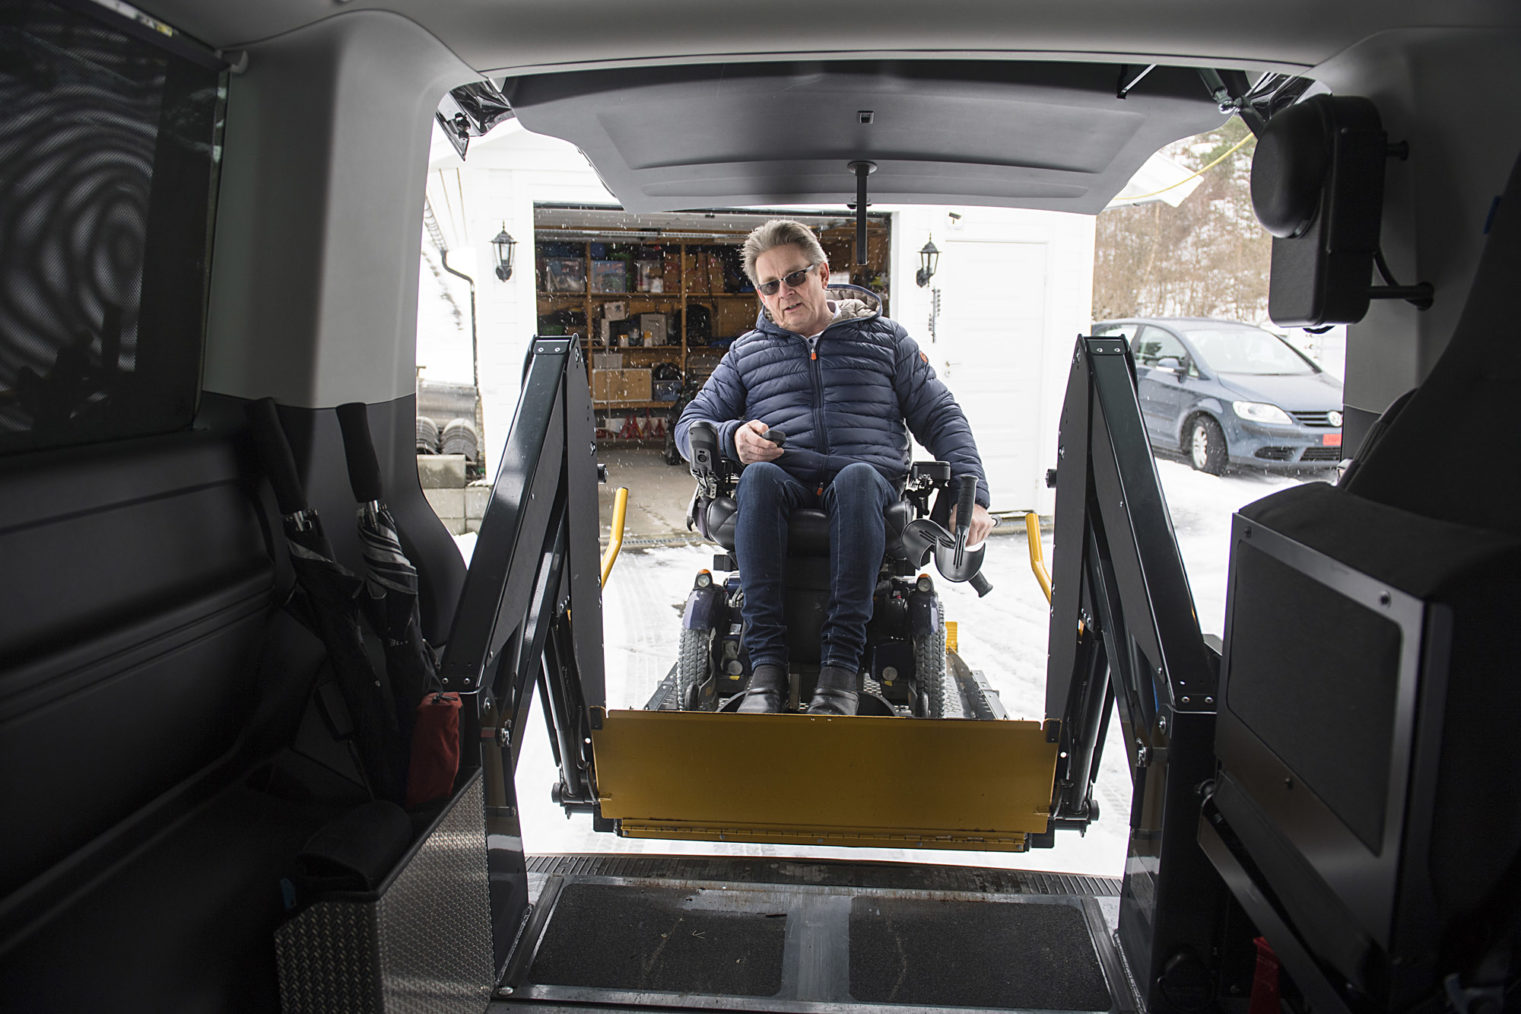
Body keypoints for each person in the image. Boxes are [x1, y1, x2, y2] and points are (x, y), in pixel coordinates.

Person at [675, 219, 992, 716]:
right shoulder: (745, 354)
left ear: (823, 274)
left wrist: (974, 500)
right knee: (757, 478)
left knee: (859, 477)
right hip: (780, 480)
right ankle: (766, 672)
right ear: (761, 294)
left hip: (866, 488)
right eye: (770, 285)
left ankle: (841, 669)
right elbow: (692, 422)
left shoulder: (886, 341)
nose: (785, 293)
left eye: (795, 278)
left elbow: (941, 416)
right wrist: (730, 437)